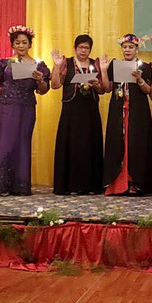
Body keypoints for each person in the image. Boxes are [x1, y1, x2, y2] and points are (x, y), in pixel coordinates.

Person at [0, 26, 51, 196]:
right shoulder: (5, 63)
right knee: (4, 142)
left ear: (30, 44)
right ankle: (0, 185)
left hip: (26, 107)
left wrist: (40, 79)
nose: (21, 46)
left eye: (24, 43)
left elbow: (43, 90)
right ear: (13, 44)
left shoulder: (38, 65)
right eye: (17, 42)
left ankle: (19, 185)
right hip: (5, 106)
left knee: (22, 143)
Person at [99, 34, 152, 196]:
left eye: (131, 47)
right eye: (125, 47)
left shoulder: (144, 67)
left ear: (136, 49)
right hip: (118, 110)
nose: (127, 50)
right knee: (118, 144)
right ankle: (117, 183)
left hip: (137, 112)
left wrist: (139, 79)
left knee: (135, 145)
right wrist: (104, 71)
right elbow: (107, 88)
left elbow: (148, 91)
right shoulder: (114, 65)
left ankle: (134, 182)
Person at [50, 34, 105, 195]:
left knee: (89, 146)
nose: (83, 50)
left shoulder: (95, 64)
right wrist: (55, 66)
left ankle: (90, 185)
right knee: (71, 145)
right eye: (80, 47)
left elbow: (102, 90)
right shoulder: (66, 63)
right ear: (75, 48)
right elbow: (55, 85)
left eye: (86, 48)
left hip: (90, 112)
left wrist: (97, 85)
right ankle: (70, 185)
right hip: (71, 111)